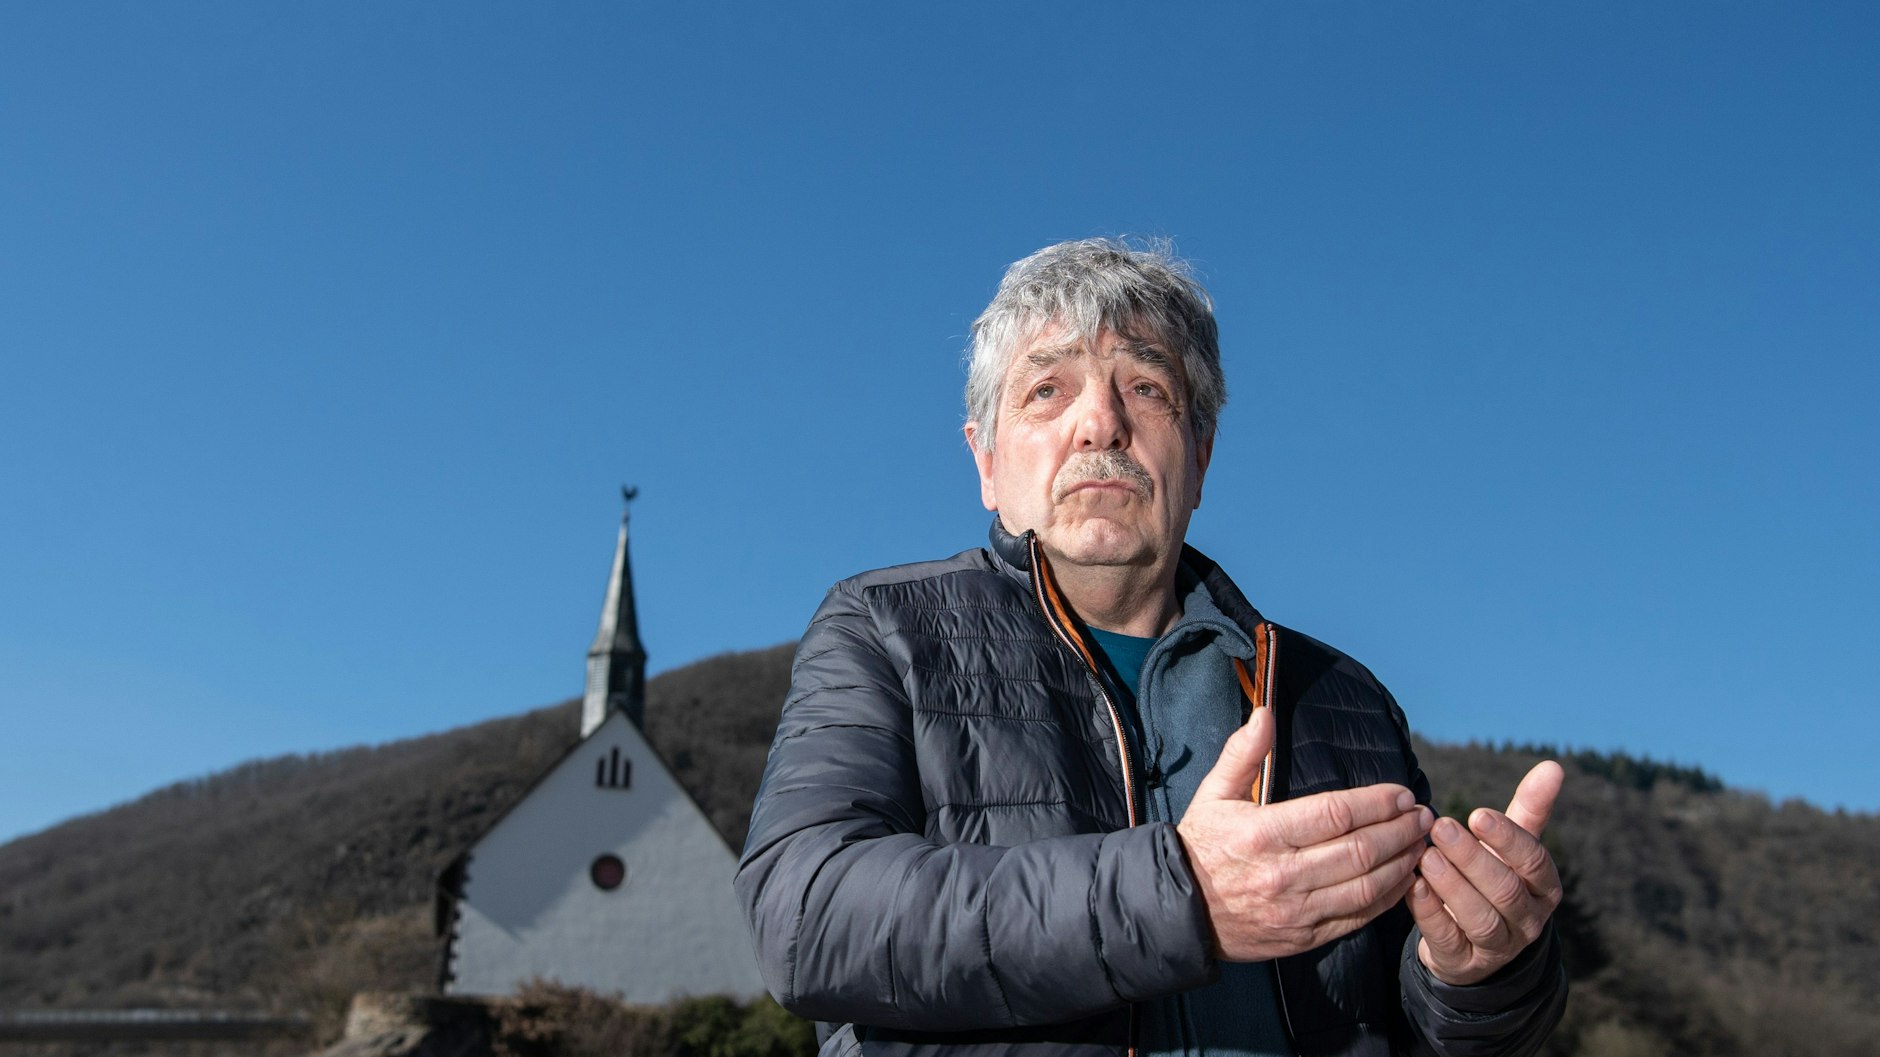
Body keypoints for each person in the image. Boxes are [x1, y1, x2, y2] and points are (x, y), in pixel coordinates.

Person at [736, 239, 1567, 1057]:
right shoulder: (883, 630)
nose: (1101, 421)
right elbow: (804, 915)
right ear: (985, 459)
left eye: (1145, 386)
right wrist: (1182, 897)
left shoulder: (1341, 698)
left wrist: (1479, 975)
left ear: (1200, 459)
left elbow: (1418, 1024)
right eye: (1047, 389)